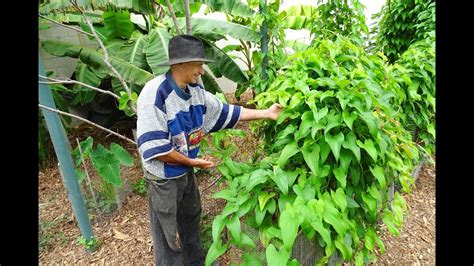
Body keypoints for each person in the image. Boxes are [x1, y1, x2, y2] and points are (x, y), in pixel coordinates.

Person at [136, 34, 283, 266]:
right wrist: (192, 162)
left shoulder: (196, 91)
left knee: (191, 218)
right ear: (180, 64)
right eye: (198, 65)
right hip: (163, 178)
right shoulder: (155, 94)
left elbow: (227, 113)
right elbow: (156, 149)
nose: (202, 71)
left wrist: (266, 113)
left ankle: (195, 262)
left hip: (185, 170)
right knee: (166, 232)